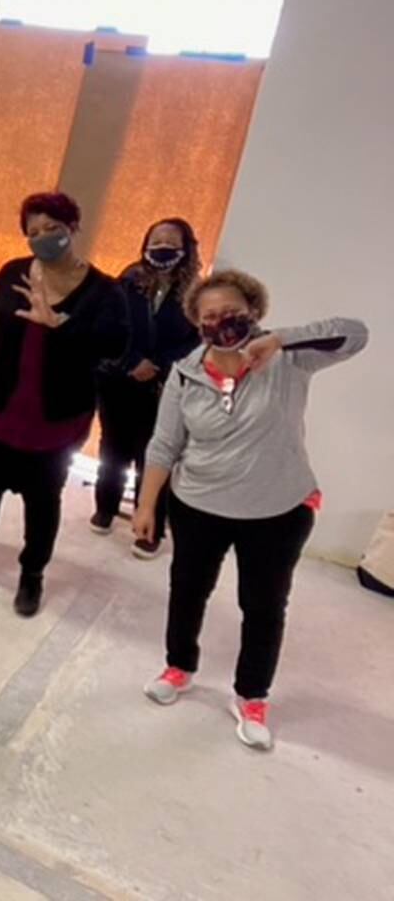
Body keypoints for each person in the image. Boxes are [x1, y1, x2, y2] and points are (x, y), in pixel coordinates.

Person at [137, 270, 367, 751]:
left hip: (276, 509)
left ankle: (251, 697)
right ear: (196, 323)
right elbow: (164, 444)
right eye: (209, 316)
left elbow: (355, 333)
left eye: (232, 313)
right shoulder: (186, 371)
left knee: (263, 608)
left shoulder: (289, 359)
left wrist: (280, 340)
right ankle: (179, 668)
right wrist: (147, 504)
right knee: (188, 591)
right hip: (198, 505)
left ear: (254, 312)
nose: (221, 323)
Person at [0, 193, 128, 617]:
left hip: (55, 423)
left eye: (52, 229)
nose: (42, 238)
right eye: (33, 232)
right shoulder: (11, 273)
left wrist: (62, 326)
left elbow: (115, 350)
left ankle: (32, 576)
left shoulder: (105, 293)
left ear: (73, 228)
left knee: (42, 503)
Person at [91, 218, 202, 556]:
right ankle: (105, 507)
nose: (163, 245)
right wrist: (131, 361)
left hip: (164, 389)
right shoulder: (127, 281)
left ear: (185, 248)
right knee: (112, 449)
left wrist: (159, 367)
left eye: (171, 239)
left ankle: (149, 525)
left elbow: (197, 342)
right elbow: (110, 327)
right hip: (119, 380)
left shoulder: (196, 293)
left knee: (153, 457)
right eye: (156, 238)